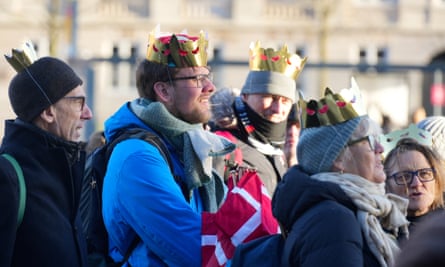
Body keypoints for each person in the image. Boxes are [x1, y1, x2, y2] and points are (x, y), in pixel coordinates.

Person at [101, 27, 235, 266]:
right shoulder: (137, 157)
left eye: (208, 76)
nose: (210, 87)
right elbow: (196, 248)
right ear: (163, 91)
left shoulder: (187, 144)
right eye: (197, 79)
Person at [272, 83, 409, 267]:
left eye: (379, 139)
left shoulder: (349, 208)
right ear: (338, 159)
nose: (380, 148)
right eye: (370, 140)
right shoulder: (335, 222)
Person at [0, 42, 92, 266]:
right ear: (48, 112)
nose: (88, 114)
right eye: (79, 102)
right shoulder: (8, 178)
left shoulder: (68, 171)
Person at [211, 41, 307, 195]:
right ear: (245, 96)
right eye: (269, 97)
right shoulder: (222, 146)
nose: (278, 109)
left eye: (285, 101)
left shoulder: (280, 152)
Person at [383, 128, 444, 236]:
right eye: (404, 177)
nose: (416, 183)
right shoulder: (376, 230)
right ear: (386, 183)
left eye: (424, 173)